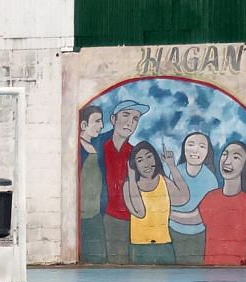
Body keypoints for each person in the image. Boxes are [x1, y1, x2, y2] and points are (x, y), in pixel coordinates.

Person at [90, 99, 148, 265]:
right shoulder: (97, 146)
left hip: (132, 218)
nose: (130, 122)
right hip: (104, 216)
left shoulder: (134, 153)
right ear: (113, 119)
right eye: (126, 115)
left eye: (136, 119)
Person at [197, 139, 246, 266]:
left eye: (236, 157)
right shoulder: (210, 198)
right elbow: (193, 218)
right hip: (211, 271)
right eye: (225, 154)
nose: (227, 161)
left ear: (245, 165)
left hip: (238, 273)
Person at [123, 143, 185, 266]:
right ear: (134, 165)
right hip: (139, 246)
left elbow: (183, 198)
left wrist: (172, 166)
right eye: (140, 160)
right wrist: (131, 178)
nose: (146, 163)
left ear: (155, 158)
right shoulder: (128, 186)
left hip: (164, 244)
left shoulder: (163, 181)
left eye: (149, 157)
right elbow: (140, 212)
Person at [166, 132, 218, 266]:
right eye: (191, 144)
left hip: (197, 235)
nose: (195, 150)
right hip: (173, 231)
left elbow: (199, 216)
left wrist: (167, 214)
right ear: (184, 149)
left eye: (201, 146)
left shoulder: (210, 179)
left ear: (207, 152)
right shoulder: (176, 170)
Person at [77, 105, 108, 263]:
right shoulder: (78, 149)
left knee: (99, 255)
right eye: (97, 121)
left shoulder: (95, 147)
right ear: (83, 125)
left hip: (95, 213)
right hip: (83, 215)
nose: (101, 125)